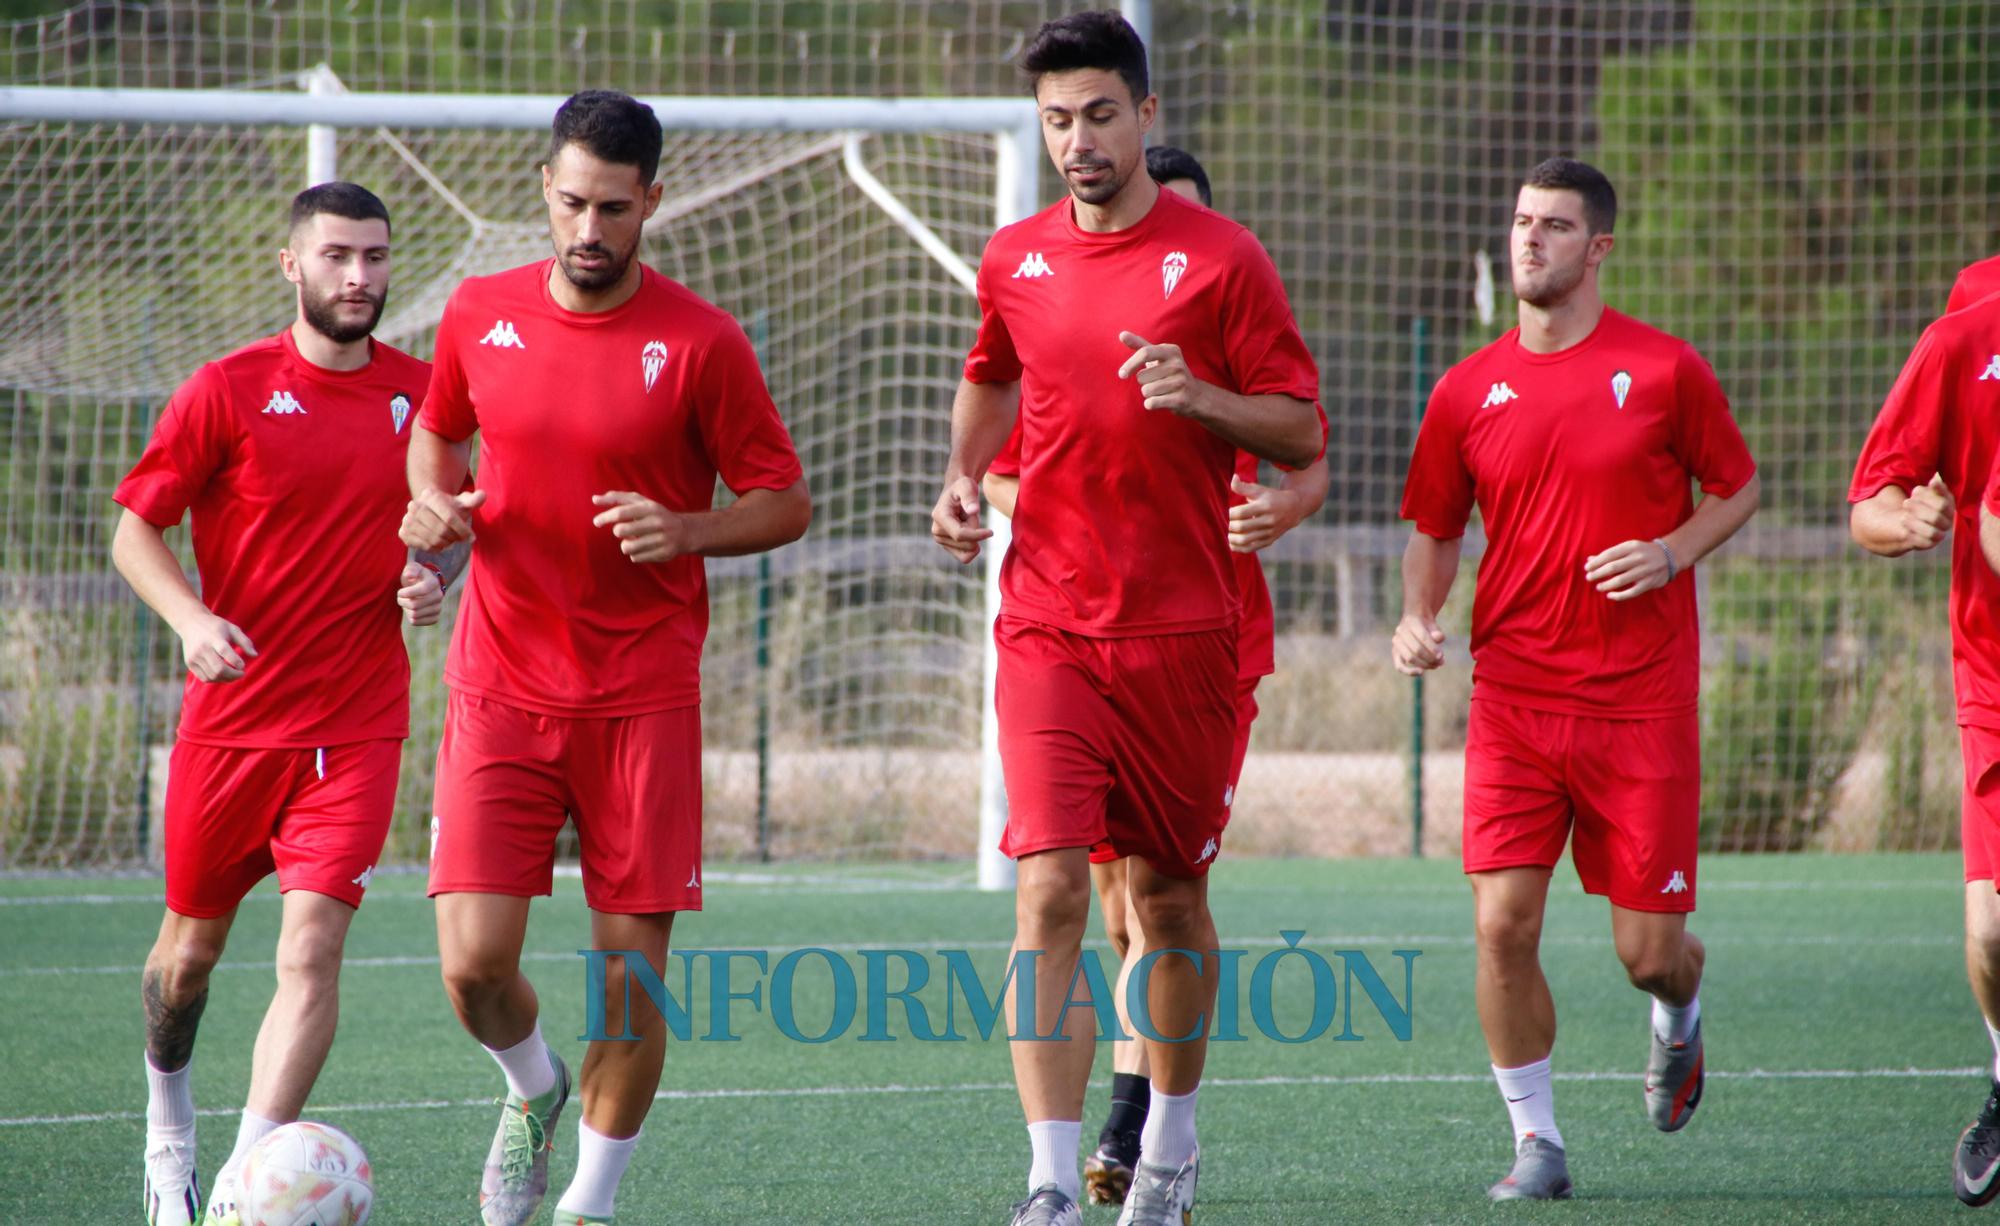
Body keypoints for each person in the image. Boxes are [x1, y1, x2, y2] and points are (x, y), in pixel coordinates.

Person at [930, 14, 1325, 1225]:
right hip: (1046, 619)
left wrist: (1198, 394)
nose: (1077, 140)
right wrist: (960, 476)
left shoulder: (1221, 260)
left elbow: (1300, 429)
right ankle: (1050, 1179)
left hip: (1186, 633)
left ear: (1145, 115)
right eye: (1057, 119)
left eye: (1099, 113)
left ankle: (1171, 1140)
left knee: (1165, 900)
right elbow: (992, 371)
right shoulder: (1014, 257)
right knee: (1048, 887)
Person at [399, 89, 810, 1226]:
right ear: (545, 189)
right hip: (499, 681)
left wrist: (687, 529)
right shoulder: (478, 313)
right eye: (573, 202)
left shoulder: (701, 342)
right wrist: (432, 503)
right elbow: (436, 428)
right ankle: (532, 1088)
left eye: (614, 208)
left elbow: (783, 499)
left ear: (652, 204)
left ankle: (587, 1201)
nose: (590, 227)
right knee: (473, 966)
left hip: (642, 694)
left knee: (628, 980)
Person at [1393, 157, 1759, 1201]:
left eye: (1552, 227)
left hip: (1639, 703)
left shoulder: (1661, 370)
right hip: (1512, 699)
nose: (1528, 241)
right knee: (1498, 924)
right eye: (1518, 222)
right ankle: (1536, 1141)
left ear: (1597, 247)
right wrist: (1419, 618)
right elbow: (1432, 526)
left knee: (1646, 952)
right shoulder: (1465, 387)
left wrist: (1670, 549)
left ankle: (1677, 1015)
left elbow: (1736, 485)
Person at [114, 182, 448, 1226]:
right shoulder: (226, 389)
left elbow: (448, 520)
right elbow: (134, 529)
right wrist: (189, 618)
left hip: (355, 724)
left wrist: (435, 573)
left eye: (376, 257)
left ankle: (237, 1190)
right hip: (230, 726)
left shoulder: (429, 397)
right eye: (339, 256)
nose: (361, 277)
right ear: (291, 264)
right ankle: (168, 1131)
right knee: (187, 959)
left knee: (310, 949)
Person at [1858, 287, 2000, 1206]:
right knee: (1992, 930)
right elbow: (1868, 501)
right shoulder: (1964, 336)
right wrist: (1903, 522)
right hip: (1995, 674)